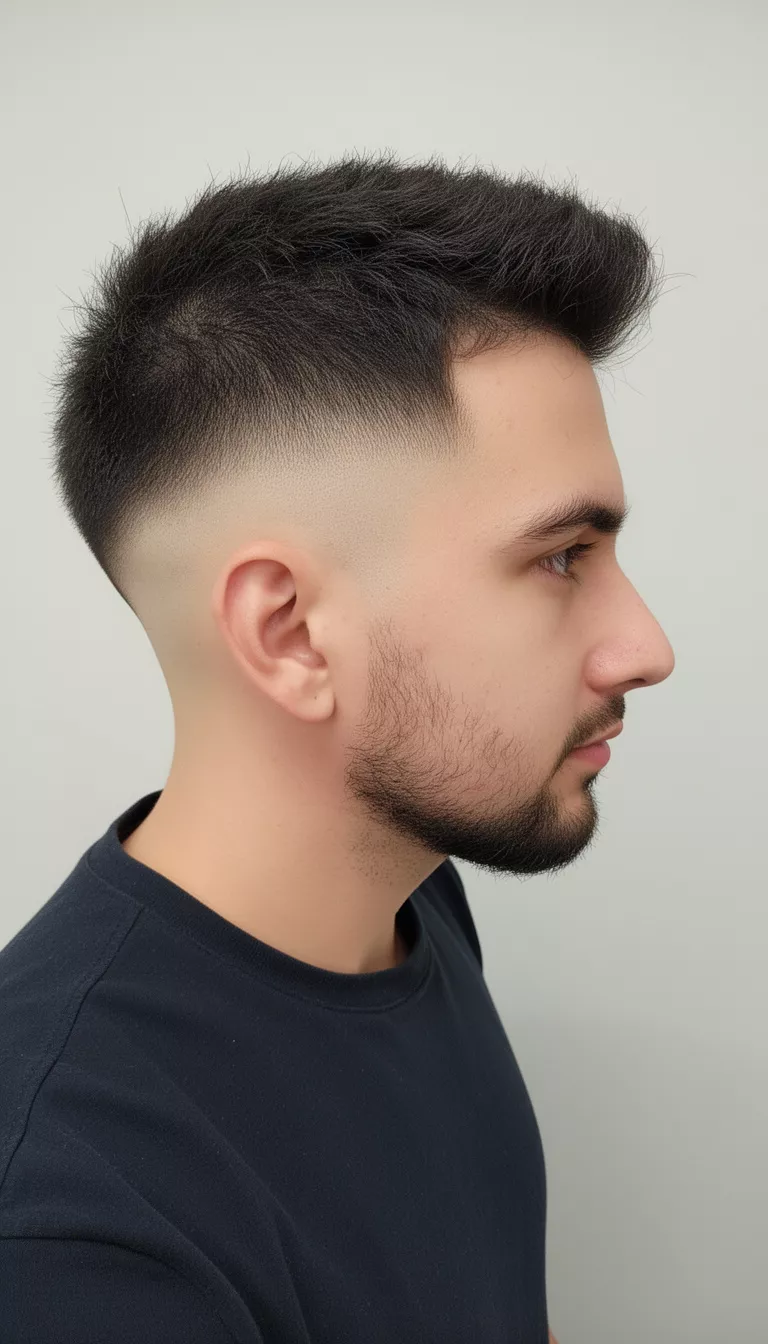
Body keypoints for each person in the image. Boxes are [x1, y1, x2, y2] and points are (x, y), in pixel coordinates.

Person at [0, 150, 675, 1343]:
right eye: (563, 556)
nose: (645, 645)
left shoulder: (417, 907)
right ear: (293, 633)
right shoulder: (72, 1233)